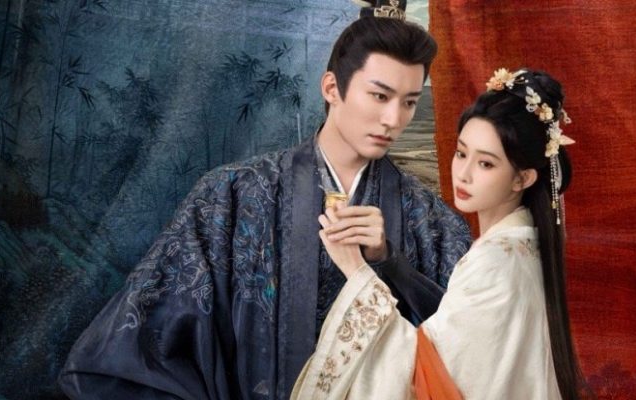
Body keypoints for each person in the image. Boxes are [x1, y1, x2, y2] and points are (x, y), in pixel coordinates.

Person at [58, 2, 472, 399]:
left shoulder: (429, 219)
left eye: (409, 102)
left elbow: (469, 344)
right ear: (332, 88)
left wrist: (390, 263)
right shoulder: (230, 196)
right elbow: (151, 334)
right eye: (379, 96)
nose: (394, 120)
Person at [292, 68, 587, 399]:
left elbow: (428, 373)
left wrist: (356, 271)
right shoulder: (524, 246)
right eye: (461, 153)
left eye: (486, 164)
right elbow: (454, 333)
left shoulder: (495, 261)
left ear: (523, 178)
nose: (463, 174)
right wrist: (385, 260)